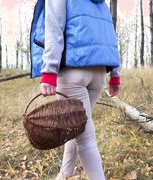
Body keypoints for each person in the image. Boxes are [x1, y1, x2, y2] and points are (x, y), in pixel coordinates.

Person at [31, 0, 121, 179]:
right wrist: (115, 75)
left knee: (86, 139)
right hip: (99, 73)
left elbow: (54, 29)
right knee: (76, 126)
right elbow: (111, 37)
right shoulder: (101, 4)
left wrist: (49, 70)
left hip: (73, 72)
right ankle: (64, 174)